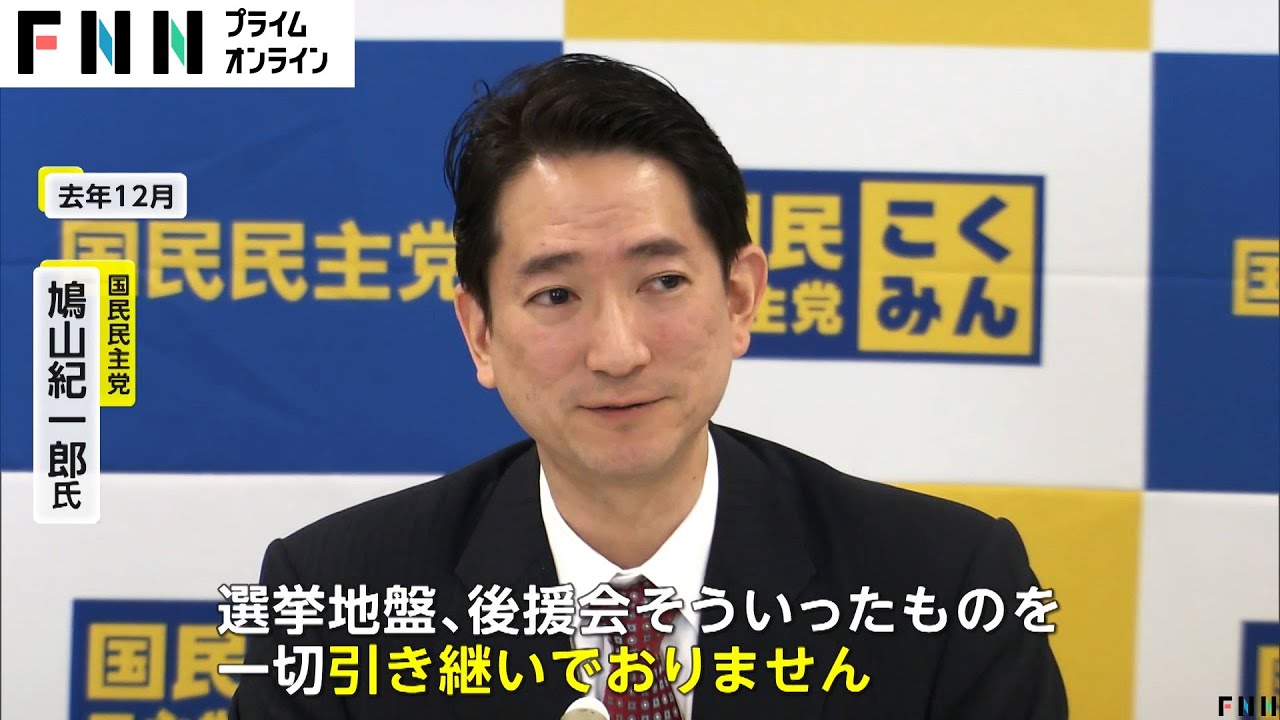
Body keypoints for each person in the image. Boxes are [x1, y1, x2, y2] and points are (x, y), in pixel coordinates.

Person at [230, 52, 1068, 719]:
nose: (618, 351)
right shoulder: (331, 603)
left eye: (662, 282)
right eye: (556, 295)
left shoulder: (948, 587)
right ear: (480, 332)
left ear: (739, 297)